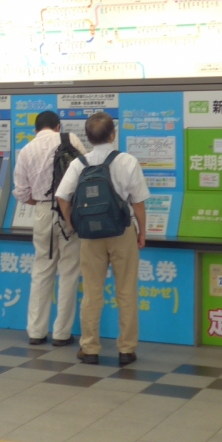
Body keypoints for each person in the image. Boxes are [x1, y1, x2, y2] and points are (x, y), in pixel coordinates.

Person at [55, 112, 148, 366]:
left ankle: (90, 348)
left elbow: (62, 197)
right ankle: (126, 349)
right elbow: (138, 203)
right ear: (112, 135)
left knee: (92, 292)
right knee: (126, 291)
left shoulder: (79, 163)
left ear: (88, 137)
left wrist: (74, 224)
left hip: (90, 236)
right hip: (122, 232)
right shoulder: (127, 161)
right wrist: (142, 232)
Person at [12, 110, 84, 346]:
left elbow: (21, 193)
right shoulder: (70, 139)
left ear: (35, 129)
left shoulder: (26, 150)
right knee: (69, 272)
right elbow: (86, 173)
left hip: (43, 213)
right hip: (69, 211)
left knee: (42, 270)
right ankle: (62, 334)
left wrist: (42, 203)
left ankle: (36, 331)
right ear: (57, 126)